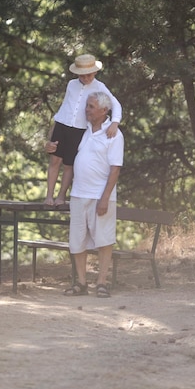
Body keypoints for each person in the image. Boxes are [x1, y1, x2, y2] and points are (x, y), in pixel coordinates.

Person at [64, 91, 124, 298]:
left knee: (104, 240)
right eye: (87, 105)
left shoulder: (114, 134)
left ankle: (102, 283)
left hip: (100, 196)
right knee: (77, 240)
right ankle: (81, 283)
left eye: (91, 106)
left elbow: (115, 169)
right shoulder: (85, 130)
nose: (86, 110)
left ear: (104, 110)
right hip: (79, 195)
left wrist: (105, 198)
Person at [44, 53, 122, 207]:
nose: (86, 78)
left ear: (95, 72)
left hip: (79, 130)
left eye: (89, 75)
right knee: (55, 160)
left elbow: (115, 103)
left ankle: (61, 196)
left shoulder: (100, 87)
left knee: (69, 164)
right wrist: (52, 130)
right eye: (82, 76)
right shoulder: (71, 84)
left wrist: (115, 122)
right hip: (62, 124)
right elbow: (64, 106)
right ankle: (48, 196)